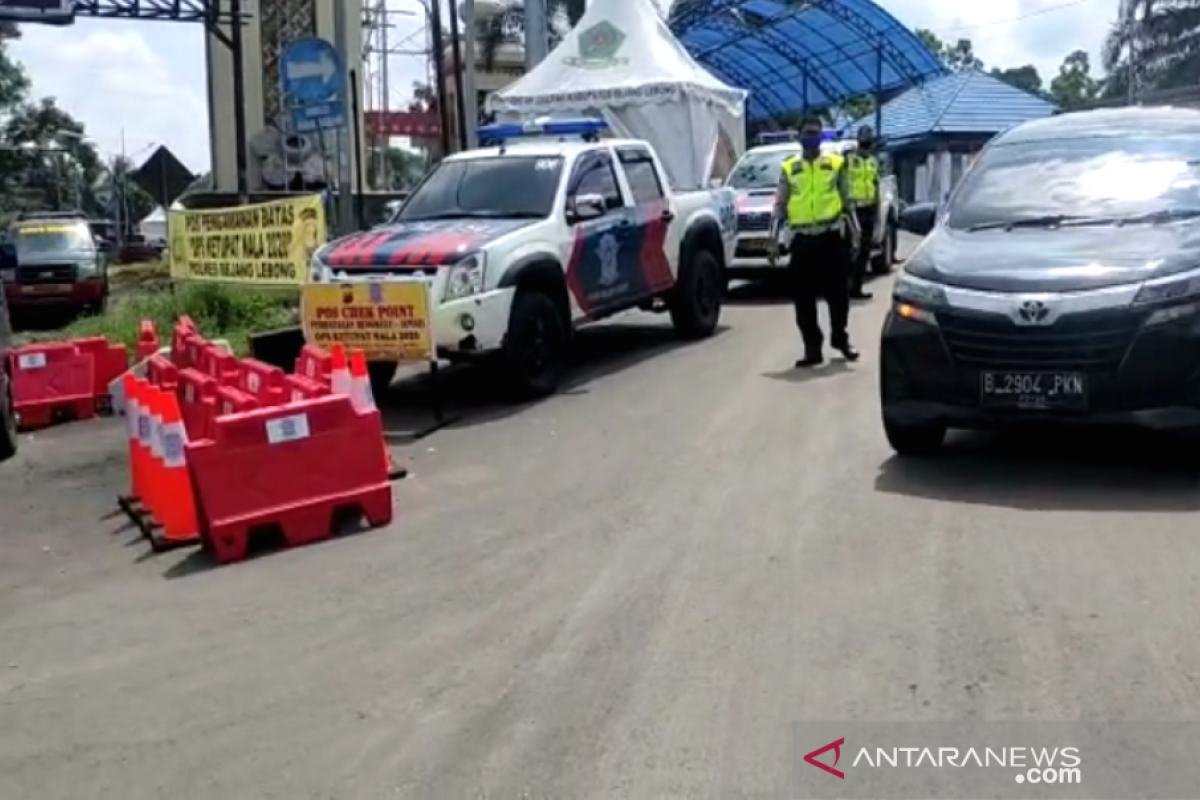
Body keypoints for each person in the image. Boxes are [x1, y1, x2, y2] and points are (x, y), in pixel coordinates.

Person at [768, 115, 860, 367]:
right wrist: (772, 239)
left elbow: (847, 201)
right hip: (803, 241)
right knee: (803, 299)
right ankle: (812, 348)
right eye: (808, 132)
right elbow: (779, 205)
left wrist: (856, 233)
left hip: (831, 238)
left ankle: (840, 338)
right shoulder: (789, 168)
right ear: (799, 136)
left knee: (839, 297)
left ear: (822, 136)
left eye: (816, 133)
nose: (812, 137)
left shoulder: (835, 163)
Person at [845, 125, 881, 300]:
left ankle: (856, 289)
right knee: (852, 251)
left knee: (864, 252)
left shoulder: (873, 161)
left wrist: (877, 211)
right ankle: (846, 288)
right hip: (853, 211)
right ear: (858, 141)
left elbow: (876, 185)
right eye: (863, 141)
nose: (866, 145)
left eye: (868, 141)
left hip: (869, 210)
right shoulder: (849, 160)